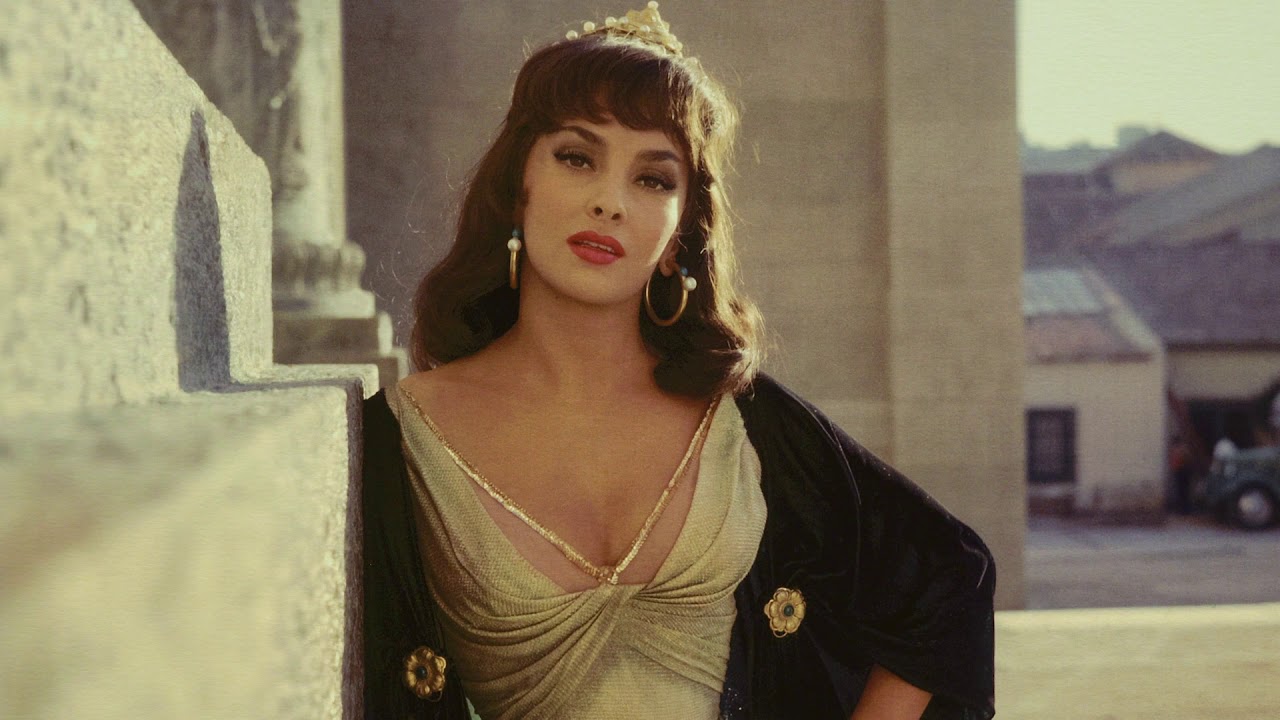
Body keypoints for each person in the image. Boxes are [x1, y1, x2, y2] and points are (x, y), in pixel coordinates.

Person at [361, 4, 995, 718]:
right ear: (518, 187)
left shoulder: (741, 421)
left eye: (654, 179)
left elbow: (950, 578)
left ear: (678, 237)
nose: (609, 202)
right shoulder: (401, 436)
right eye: (577, 158)